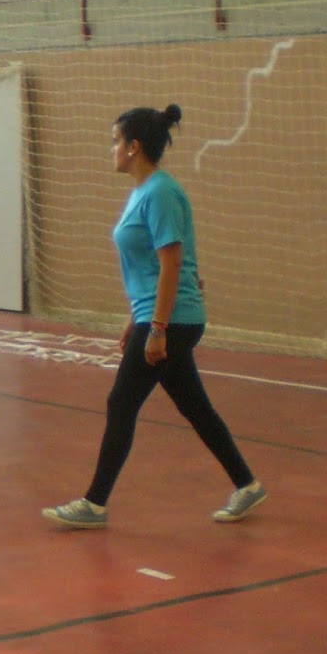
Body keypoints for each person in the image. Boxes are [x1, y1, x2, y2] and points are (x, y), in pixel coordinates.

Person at [42, 104, 263, 528]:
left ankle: (94, 503)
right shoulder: (142, 193)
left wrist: (157, 328)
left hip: (172, 320)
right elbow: (146, 267)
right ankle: (247, 485)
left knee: (121, 403)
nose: (111, 149)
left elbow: (172, 262)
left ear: (134, 147)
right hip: (159, 315)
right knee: (195, 407)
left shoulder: (161, 192)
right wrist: (137, 317)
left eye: (115, 141)